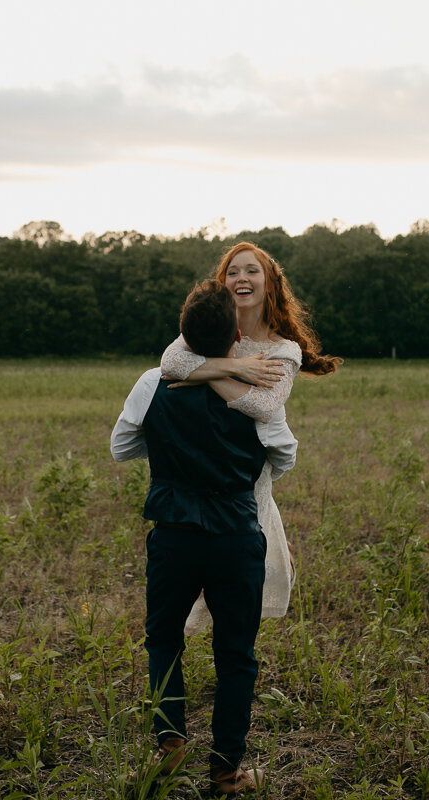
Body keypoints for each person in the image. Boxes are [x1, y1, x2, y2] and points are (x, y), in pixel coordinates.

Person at [111, 279, 298, 795]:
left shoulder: (153, 382)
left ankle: (169, 749)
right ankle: (225, 772)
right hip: (237, 534)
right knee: (236, 653)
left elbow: (122, 446)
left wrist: (173, 450)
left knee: (164, 639)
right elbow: (283, 454)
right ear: (237, 338)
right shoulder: (257, 393)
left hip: (173, 534)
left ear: (182, 335)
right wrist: (241, 478)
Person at [160, 242, 340, 633]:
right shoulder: (206, 331)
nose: (241, 277)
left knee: (238, 600)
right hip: (195, 476)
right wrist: (236, 366)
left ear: (270, 283)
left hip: (248, 486)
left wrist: (207, 373)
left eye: (251, 270)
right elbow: (170, 363)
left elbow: (263, 406)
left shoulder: (283, 350)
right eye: (233, 271)